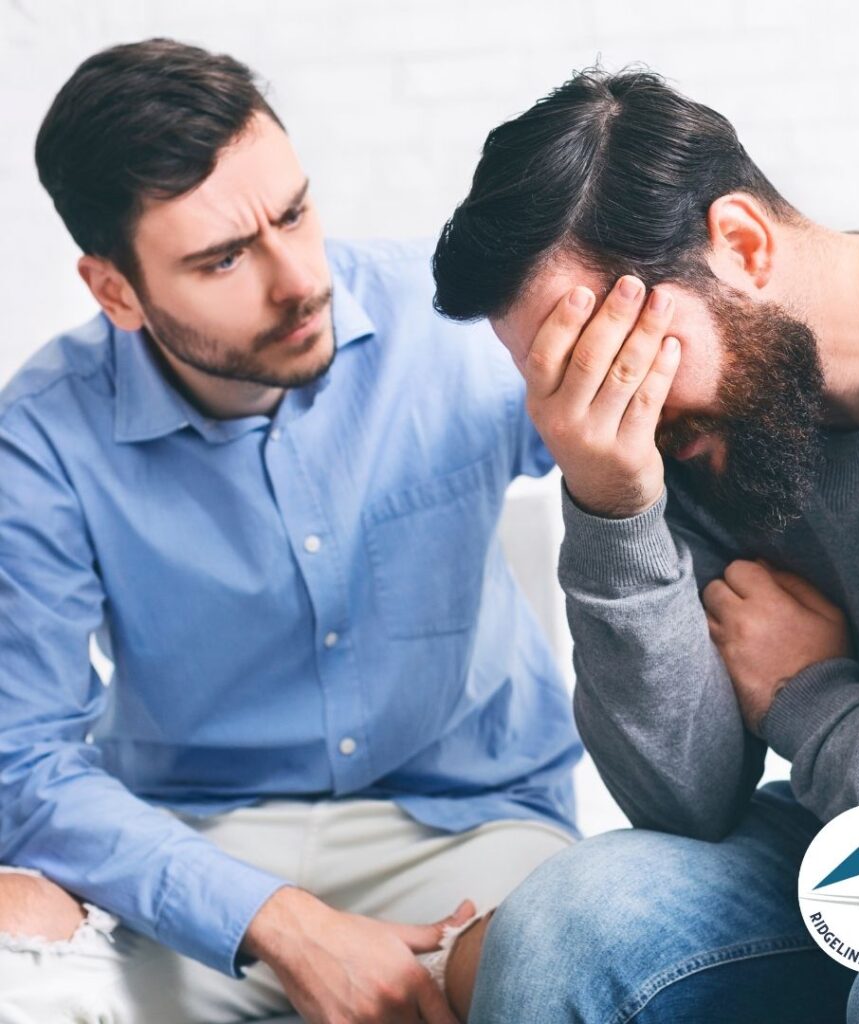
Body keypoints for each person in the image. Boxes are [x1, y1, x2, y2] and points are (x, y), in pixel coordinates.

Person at [0, 38, 582, 1024]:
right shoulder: (43, 437)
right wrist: (275, 918)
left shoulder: (452, 325)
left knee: (565, 962)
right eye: (223, 257)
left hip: (467, 831)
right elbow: (25, 761)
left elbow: (676, 463)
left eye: (294, 213)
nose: (295, 280)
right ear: (115, 291)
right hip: (191, 848)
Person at [430, 68, 859, 1023]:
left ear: (741, 245)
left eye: (618, 360)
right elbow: (684, 803)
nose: (606, 411)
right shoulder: (690, 437)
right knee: (565, 925)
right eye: (564, 382)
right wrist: (612, 503)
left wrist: (809, 697)